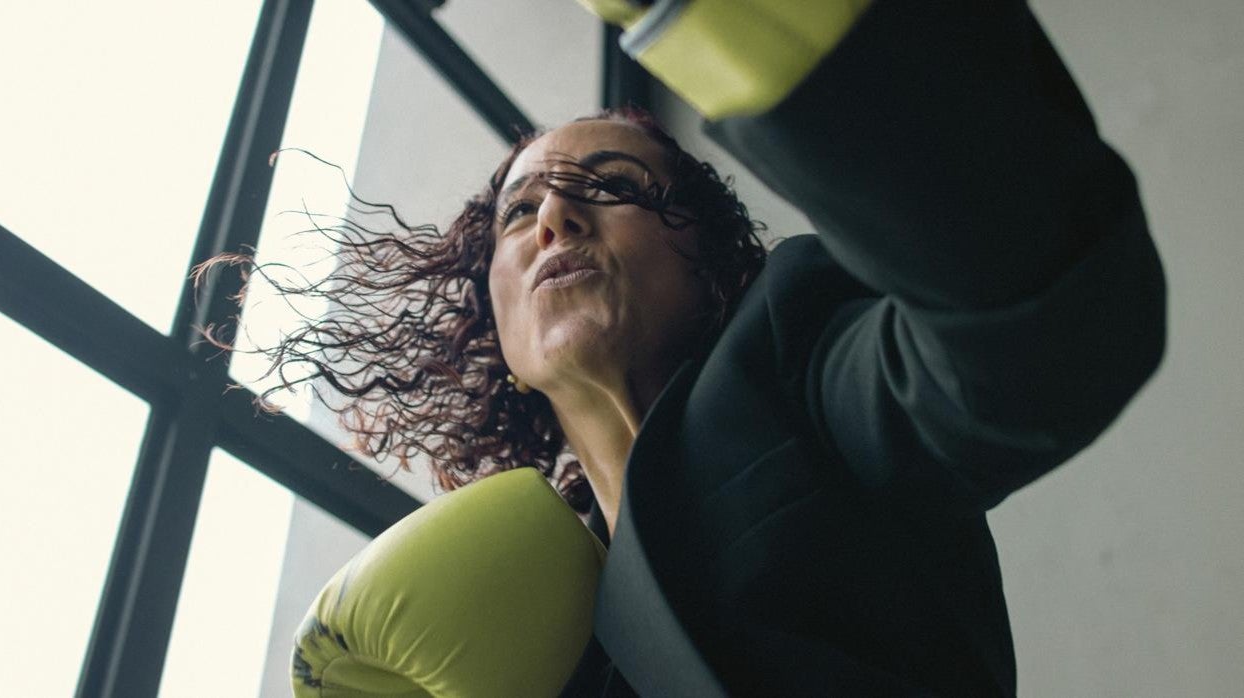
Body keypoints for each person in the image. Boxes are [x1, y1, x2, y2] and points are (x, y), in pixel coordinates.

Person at [237, 1, 1166, 695]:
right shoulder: (527, 608)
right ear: (500, 333)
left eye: (610, 184)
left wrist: (744, 19)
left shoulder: (796, 366)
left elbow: (1035, 328)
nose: (554, 214)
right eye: (519, 211)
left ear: (711, 263)